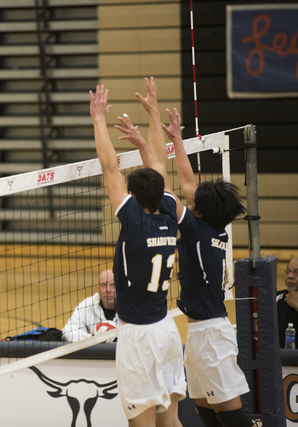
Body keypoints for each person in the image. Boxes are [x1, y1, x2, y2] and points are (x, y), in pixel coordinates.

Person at [119, 77, 252, 427]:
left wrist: (150, 138)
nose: (189, 198)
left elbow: (160, 184)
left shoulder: (195, 232)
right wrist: (177, 138)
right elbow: (186, 183)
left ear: (199, 212)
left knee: (228, 412)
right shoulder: (214, 226)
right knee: (205, 411)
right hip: (199, 333)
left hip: (211, 334)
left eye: (193, 202)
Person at [90, 82, 185, 427]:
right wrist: (152, 117)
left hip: (137, 337)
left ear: (132, 196)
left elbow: (108, 166)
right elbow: (159, 163)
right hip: (167, 330)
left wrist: (98, 119)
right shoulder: (171, 209)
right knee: (170, 422)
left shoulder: (132, 221)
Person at [62, 269, 119, 343]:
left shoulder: (129, 306)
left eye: (113, 285)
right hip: (94, 352)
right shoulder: (87, 305)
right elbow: (68, 332)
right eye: (103, 285)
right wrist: (94, 339)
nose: (108, 290)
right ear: (98, 288)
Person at [276, 257, 298, 348]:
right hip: (281, 358)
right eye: (288, 271)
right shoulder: (276, 298)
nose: (290, 276)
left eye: (296, 272)